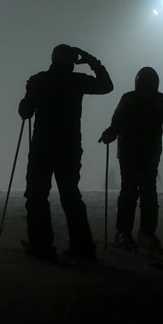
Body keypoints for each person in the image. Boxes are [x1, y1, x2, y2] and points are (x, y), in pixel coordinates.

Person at [18, 44, 113, 262]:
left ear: (53, 59)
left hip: (42, 147)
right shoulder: (76, 81)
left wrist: (29, 93)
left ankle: (41, 245)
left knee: (36, 196)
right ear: (71, 62)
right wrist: (91, 60)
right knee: (70, 196)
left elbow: (25, 112)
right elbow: (107, 85)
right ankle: (83, 247)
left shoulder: (39, 80)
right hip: (69, 147)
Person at [98, 67, 163, 254]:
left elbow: (117, 124)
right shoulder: (162, 101)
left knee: (130, 191)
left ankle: (124, 232)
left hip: (130, 152)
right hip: (148, 153)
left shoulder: (129, 98)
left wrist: (110, 134)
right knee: (147, 192)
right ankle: (144, 233)